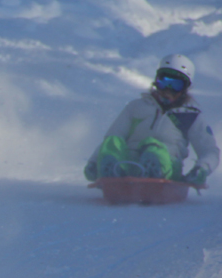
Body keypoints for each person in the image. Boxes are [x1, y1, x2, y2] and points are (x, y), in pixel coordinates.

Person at [84, 54, 218, 186]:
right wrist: (94, 162)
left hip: (168, 166)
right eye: (164, 82)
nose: (168, 89)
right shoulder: (136, 107)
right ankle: (113, 174)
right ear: (156, 81)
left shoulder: (190, 116)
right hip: (129, 164)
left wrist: (202, 169)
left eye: (176, 85)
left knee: (153, 148)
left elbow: (210, 150)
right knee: (113, 141)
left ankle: (154, 172)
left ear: (185, 89)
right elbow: (113, 138)